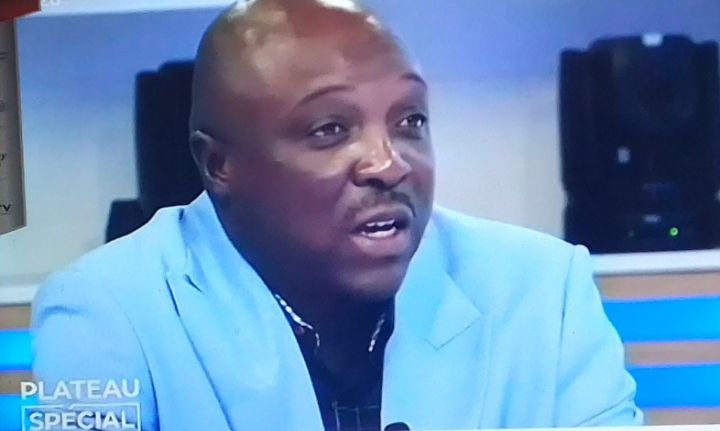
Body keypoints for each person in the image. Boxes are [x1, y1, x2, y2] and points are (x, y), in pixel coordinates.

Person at [31, 1, 643, 430]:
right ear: (220, 165)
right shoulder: (106, 312)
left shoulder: (543, 289)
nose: (389, 164)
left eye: (410, 121)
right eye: (330, 129)